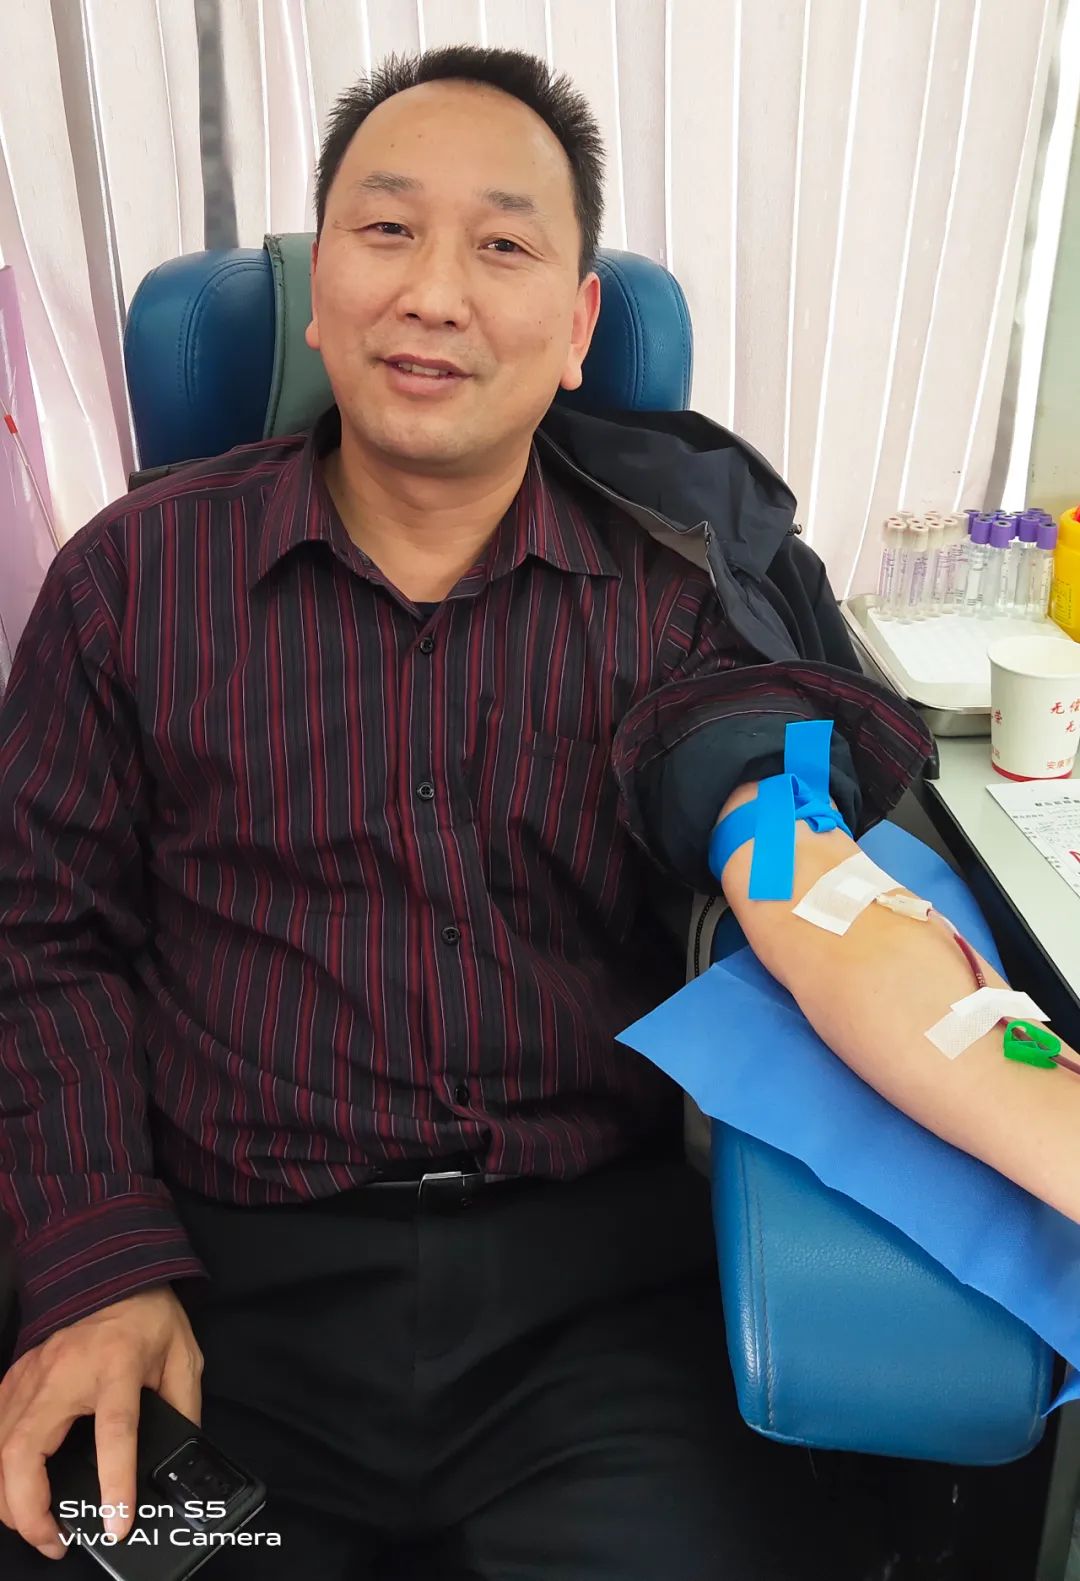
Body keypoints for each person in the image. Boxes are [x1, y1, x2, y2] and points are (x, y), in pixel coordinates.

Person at [2, 43, 1076, 1581]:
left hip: (589, 1320)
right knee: (105, 1547)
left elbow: (811, 887)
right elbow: (41, 937)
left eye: (502, 246)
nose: (436, 291)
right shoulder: (129, 582)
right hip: (226, 1301)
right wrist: (94, 1260)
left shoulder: (674, 589)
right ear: (317, 295)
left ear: (579, 330)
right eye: (387, 230)